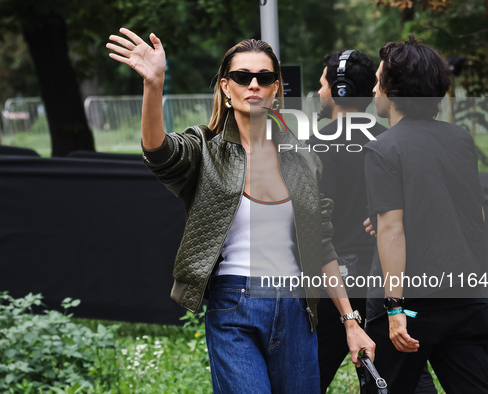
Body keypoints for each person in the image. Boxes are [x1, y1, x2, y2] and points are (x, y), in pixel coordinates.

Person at [107, 28, 375, 393]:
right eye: (241, 77)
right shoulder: (205, 148)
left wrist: (349, 321)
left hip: (298, 309)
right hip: (234, 305)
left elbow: (322, 245)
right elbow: (159, 153)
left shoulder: (303, 158)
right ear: (224, 86)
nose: (253, 85)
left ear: (276, 88)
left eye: (264, 78)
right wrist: (154, 85)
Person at [362, 35, 488, 393]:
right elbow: (474, 217)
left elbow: (393, 232)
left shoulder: (383, 148)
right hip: (467, 299)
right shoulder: (460, 139)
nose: (374, 89)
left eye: (379, 81)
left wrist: (394, 308)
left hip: (411, 305)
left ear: (393, 90)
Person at [310, 49, 436, 394]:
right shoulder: (394, 141)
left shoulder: (314, 144)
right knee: (401, 380)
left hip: (332, 286)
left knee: (305, 379)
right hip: (386, 284)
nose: (319, 93)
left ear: (339, 90)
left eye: (323, 84)